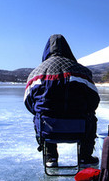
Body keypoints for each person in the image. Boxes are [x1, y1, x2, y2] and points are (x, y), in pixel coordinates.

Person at [24, 34, 100, 167]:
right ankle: (84, 156)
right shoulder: (82, 71)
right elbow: (94, 100)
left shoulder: (36, 73)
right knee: (91, 117)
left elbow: (28, 102)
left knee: (39, 115)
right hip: (79, 128)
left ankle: (50, 156)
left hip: (49, 129)